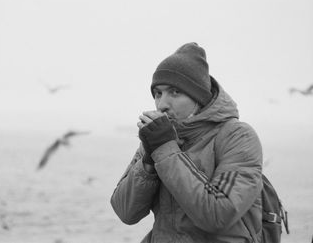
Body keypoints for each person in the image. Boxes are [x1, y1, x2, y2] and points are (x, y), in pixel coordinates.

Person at [110, 42, 263, 243]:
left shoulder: (238, 136)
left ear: (199, 97)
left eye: (175, 92)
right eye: (158, 93)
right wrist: (147, 161)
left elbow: (218, 214)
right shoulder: (158, 138)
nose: (163, 104)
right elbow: (125, 212)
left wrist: (165, 149)